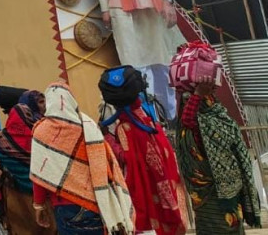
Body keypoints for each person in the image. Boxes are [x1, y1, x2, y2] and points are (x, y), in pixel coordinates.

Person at [29, 81, 133, 234]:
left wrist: (39, 205)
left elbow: (40, 172)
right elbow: (104, 164)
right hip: (95, 201)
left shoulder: (40, 131)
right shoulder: (87, 125)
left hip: (64, 205)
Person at [98, 66, 187, 235]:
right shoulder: (147, 118)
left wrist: (107, 139)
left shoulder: (125, 128)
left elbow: (126, 158)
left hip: (145, 190)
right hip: (163, 182)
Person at [175, 78, 261, 233]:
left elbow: (189, 120)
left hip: (225, 189)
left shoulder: (216, 118)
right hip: (209, 190)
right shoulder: (196, 123)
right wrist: (197, 95)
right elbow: (188, 121)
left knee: (229, 226)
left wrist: (197, 94)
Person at [0, 90, 54, 235]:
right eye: (41, 102)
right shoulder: (45, 135)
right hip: (46, 201)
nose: (45, 106)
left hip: (15, 203)